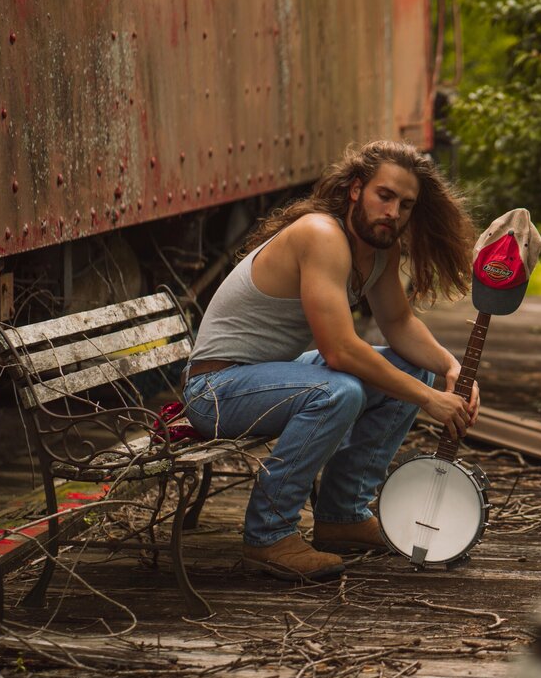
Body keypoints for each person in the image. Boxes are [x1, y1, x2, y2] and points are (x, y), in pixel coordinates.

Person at [182, 140, 479, 581]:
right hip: (216, 390)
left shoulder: (380, 250)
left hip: (267, 379)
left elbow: (397, 322)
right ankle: (268, 536)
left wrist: (449, 368)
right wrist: (429, 400)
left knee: (408, 367)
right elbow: (338, 350)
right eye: (385, 195)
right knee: (338, 390)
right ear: (356, 189)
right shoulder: (321, 234)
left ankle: (343, 515)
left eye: (406, 204)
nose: (393, 212)